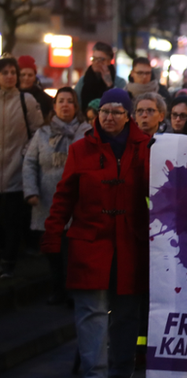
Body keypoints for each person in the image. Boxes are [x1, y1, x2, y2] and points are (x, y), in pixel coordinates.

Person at [41, 88, 150, 378]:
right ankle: (95, 374)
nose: (109, 117)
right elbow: (64, 196)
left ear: (128, 117)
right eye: (105, 112)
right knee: (91, 315)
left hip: (131, 247)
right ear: (96, 114)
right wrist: (52, 235)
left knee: (126, 317)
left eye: (116, 112)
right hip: (89, 244)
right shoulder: (80, 149)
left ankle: (121, 372)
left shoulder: (148, 148)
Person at [22, 87, 89, 302]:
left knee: (72, 250)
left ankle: (71, 291)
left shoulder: (86, 132)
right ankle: (57, 290)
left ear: (76, 106)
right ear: (55, 105)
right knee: (52, 249)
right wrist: (31, 190)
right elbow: (30, 162)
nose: (65, 105)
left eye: (70, 101)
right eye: (61, 101)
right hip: (48, 199)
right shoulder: (42, 133)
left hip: (77, 201)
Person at [0, 56, 44, 278]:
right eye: (5, 72)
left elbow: (37, 131)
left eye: (12, 73)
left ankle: (9, 262)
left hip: (17, 169)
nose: (10, 76)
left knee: (13, 220)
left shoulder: (25, 101)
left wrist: (26, 154)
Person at [76, 42, 127, 110]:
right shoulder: (83, 81)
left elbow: (122, 105)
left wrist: (109, 85)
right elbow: (76, 104)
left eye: (101, 59)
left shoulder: (119, 82)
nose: (96, 62)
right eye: (94, 59)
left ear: (109, 61)